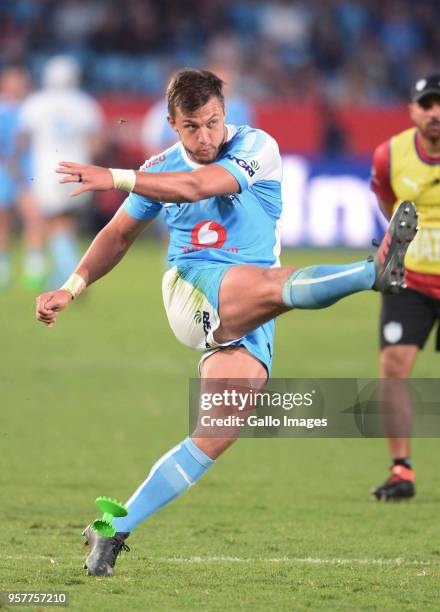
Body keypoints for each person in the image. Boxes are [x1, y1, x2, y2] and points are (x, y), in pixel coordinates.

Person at [35, 69, 417, 576]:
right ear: (172, 123)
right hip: (193, 286)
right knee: (276, 284)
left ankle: (114, 528)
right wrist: (72, 286)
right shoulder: (159, 168)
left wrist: (117, 176)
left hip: (247, 308)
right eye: (192, 127)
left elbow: (198, 187)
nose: (206, 136)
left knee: (216, 431)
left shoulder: (257, 146)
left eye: (213, 122)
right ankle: (371, 272)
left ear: (225, 112)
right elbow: (118, 235)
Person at [370, 73, 440, 501]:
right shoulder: (389, 155)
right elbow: (387, 205)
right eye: (427, 104)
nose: (435, 113)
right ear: (412, 110)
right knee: (393, 369)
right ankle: (401, 471)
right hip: (410, 281)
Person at [18, 55, 104, 289]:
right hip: (78, 172)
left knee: (50, 222)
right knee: (65, 222)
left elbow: (22, 140)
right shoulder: (85, 103)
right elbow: (96, 143)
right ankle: (67, 275)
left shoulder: (36, 102)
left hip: (46, 171)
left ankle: (69, 275)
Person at [0, 65, 45, 290]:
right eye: (14, 80)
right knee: (3, 222)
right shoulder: (2, 109)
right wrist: (10, 164)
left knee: (34, 218)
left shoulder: (31, 109)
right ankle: (3, 270)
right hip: (4, 172)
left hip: (29, 173)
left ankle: (33, 270)